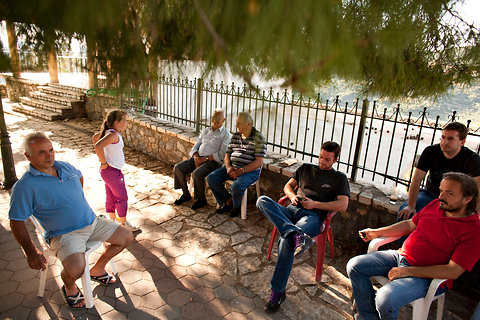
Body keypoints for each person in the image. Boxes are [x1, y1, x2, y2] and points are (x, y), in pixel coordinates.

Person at [9, 132, 134, 309]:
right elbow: (16, 221)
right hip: (63, 234)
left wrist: (75, 202)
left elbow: (79, 177)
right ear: (28, 156)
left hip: (92, 222)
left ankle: (97, 269)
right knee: (76, 268)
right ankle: (70, 286)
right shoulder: (24, 187)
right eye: (42, 152)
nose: (49, 155)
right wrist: (31, 252)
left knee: (127, 236)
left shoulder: (65, 167)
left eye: (51, 150)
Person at [347, 172, 480, 320]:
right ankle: (368, 316)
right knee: (354, 266)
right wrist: (376, 233)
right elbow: (410, 224)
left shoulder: (473, 231)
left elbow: (453, 271)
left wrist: (408, 271)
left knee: (385, 299)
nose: (441, 196)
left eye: (449, 193)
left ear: (467, 199)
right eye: (441, 190)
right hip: (401, 256)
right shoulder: (437, 204)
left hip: (427, 277)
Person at [256, 141, 350, 314]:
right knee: (262, 201)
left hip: (312, 216)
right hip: (291, 210)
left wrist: (315, 204)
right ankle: (293, 232)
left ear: (336, 160)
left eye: (327, 159)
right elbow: (288, 186)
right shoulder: (306, 168)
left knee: (286, 242)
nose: (322, 162)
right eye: (321, 157)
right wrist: (292, 197)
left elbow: (343, 205)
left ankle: (277, 292)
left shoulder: (339, 178)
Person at [398, 122, 480, 222]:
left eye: (450, 139)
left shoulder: (472, 160)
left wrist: (473, 215)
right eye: (443, 137)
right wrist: (411, 206)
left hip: (457, 200)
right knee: (406, 213)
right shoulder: (430, 151)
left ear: (462, 142)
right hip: (430, 194)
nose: (444, 142)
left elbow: (477, 191)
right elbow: (416, 180)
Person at [207, 112, 266, 218]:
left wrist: (241, 171)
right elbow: (227, 154)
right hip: (232, 166)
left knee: (236, 187)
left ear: (248, 124)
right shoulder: (236, 135)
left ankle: (236, 206)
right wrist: (228, 167)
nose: (236, 126)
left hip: (249, 171)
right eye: (236, 123)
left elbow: (259, 161)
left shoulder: (258, 137)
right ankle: (228, 201)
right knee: (211, 178)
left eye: (239, 123)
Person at [173, 109, 232, 210]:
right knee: (178, 168)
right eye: (215, 117)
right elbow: (196, 146)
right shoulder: (206, 131)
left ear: (224, 120)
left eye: (219, 118)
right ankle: (186, 194)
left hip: (212, 162)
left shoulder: (226, 135)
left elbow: (221, 155)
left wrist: (204, 159)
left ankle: (201, 200)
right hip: (198, 158)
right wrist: (196, 157)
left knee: (197, 173)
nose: (216, 120)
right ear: (212, 118)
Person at [92, 109, 139, 232]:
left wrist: (105, 160)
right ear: (117, 123)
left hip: (109, 171)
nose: (126, 123)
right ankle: (124, 224)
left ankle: (112, 220)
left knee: (111, 195)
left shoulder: (108, 132)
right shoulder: (112, 135)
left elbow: (94, 138)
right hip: (112, 171)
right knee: (121, 197)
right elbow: (97, 146)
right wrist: (103, 162)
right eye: (125, 120)